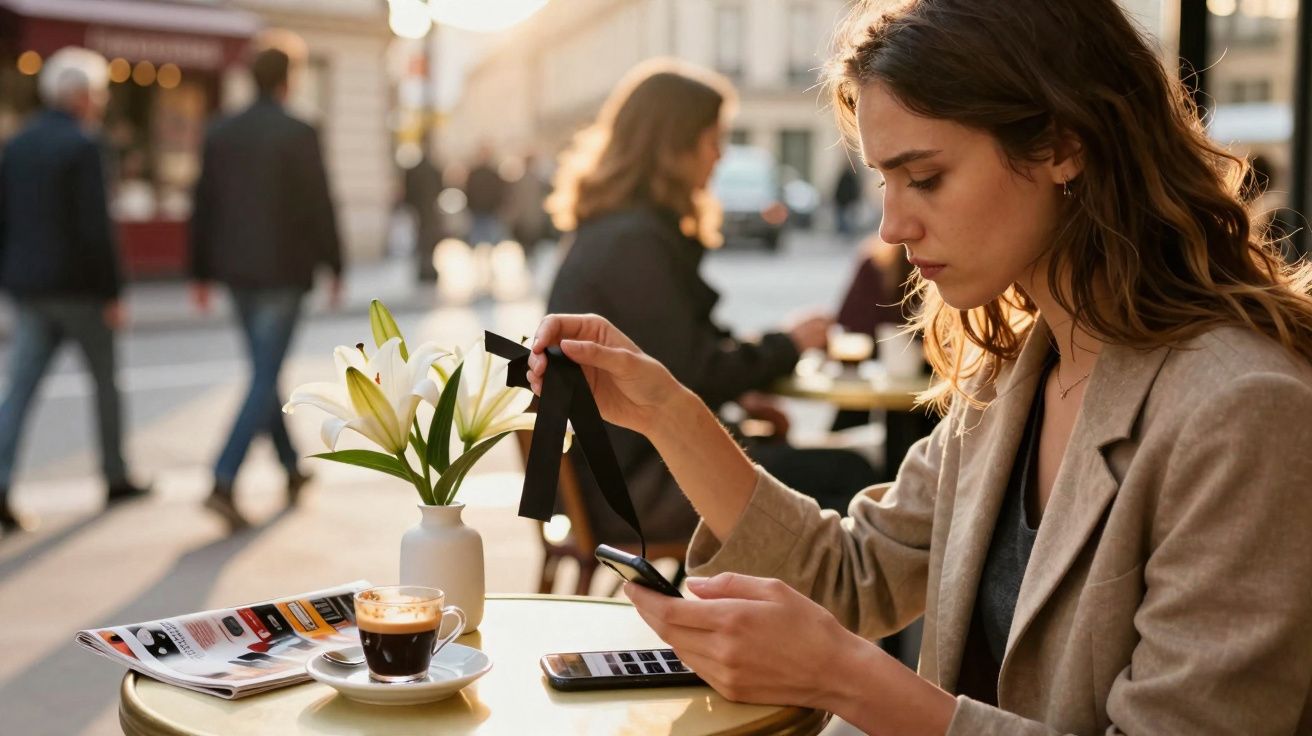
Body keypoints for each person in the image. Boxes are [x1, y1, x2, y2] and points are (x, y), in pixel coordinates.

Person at [527, 0, 1312, 732]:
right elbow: (851, 572)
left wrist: (847, 679)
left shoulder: (1242, 411)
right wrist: (667, 410)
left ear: (1063, 143)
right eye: (884, 181)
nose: (894, 225)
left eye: (925, 178)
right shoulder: (1017, 374)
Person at [543, 60, 877, 545]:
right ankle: (825, 620)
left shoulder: (615, 230)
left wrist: (747, 387)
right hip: (632, 490)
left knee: (818, 465)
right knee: (851, 473)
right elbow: (695, 371)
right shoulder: (633, 242)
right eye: (712, 139)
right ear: (672, 146)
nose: (719, 157)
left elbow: (674, 355)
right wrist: (789, 343)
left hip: (613, 474)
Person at [189, 37, 343, 530]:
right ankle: (223, 477)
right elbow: (320, 201)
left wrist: (199, 271)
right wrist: (335, 263)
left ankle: (290, 468)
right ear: (288, 78)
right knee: (263, 375)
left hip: (237, 271)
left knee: (264, 370)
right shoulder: (299, 130)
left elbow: (203, 204)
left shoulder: (222, 131)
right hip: (284, 270)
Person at [0, 47, 151, 534]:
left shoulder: (18, 143)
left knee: (19, 391)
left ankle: (1, 484)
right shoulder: (84, 145)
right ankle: (116, 475)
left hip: (31, 289)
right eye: (99, 94)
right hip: (81, 291)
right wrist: (112, 293)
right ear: (82, 96)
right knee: (105, 383)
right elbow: (95, 229)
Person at [464, 145, 508, 246]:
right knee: (477, 242)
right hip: (477, 213)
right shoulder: (474, 173)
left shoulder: (493, 174)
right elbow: (468, 192)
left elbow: (500, 192)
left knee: (491, 242)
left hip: (491, 213)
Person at [832, 164, 862, 237]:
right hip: (843, 200)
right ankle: (844, 232)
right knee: (844, 218)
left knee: (845, 218)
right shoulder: (850, 177)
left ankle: (846, 232)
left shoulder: (850, 178)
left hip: (845, 201)